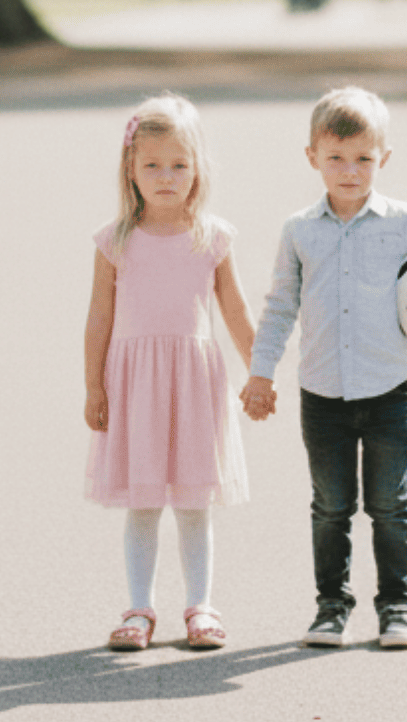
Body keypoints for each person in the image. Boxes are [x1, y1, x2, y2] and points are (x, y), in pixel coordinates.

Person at [240, 86, 407, 651]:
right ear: (312, 157)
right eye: (336, 157)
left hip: (388, 391)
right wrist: (261, 373)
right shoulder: (299, 231)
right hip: (322, 393)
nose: (350, 170)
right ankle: (331, 609)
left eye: (363, 157)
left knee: (389, 504)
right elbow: (280, 306)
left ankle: (396, 609)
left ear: (384, 157)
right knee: (331, 506)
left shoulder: (404, 223)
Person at [84, 93, 262, 652]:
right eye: (152, 165)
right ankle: (138, 610)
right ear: (131, 171)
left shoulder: (212, 237)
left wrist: (260, 373)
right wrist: (93, 385)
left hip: (194, 384)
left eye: (179, 165)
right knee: (142, 503)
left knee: (192, 502)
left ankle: (201, 608)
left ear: (198, 169)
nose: (166, 177)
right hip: (135, 385)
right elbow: (99, 318)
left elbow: (234, 310)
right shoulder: (115, 241)